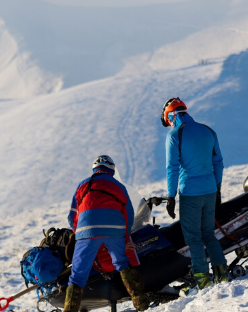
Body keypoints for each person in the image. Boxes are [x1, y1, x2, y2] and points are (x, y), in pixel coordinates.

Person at [161, 97, 228, 295]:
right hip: (210, 190)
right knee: (209, 234)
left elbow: (172, 168)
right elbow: (219, 162)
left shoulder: (175, 135)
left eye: (168, 121)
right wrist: (217, 188)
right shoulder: (208, 130)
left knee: (193, 238)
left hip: (190, 192)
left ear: (171, 116)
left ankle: (202, 278)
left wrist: (171, 197)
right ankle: (222, 273)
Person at [65, 155, 148, 312]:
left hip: (85, 231)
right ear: (112, 170)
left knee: (77, 276)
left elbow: (72, 216)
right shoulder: (118, 185)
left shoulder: (82, 185)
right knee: (122, 264)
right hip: (114, 230)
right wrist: (125, 235)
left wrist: (81, 233)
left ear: (94, 170)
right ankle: (141, 302)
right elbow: (128, 214)